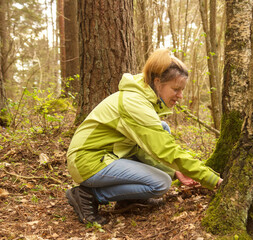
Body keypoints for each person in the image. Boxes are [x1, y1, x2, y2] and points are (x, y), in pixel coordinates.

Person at [66, 49, 223, 225]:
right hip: (87, 160)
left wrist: (175, 171)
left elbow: (140, 149)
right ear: (158, 82)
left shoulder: (143, 99)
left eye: (182, 90)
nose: (180, 96)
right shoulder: (135, 103)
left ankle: (130, 197)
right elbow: (165, 149)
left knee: (162, 128)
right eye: (176, 89)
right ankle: (88, 195)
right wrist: (212, 180)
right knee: (160, 183)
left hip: (109, 155)